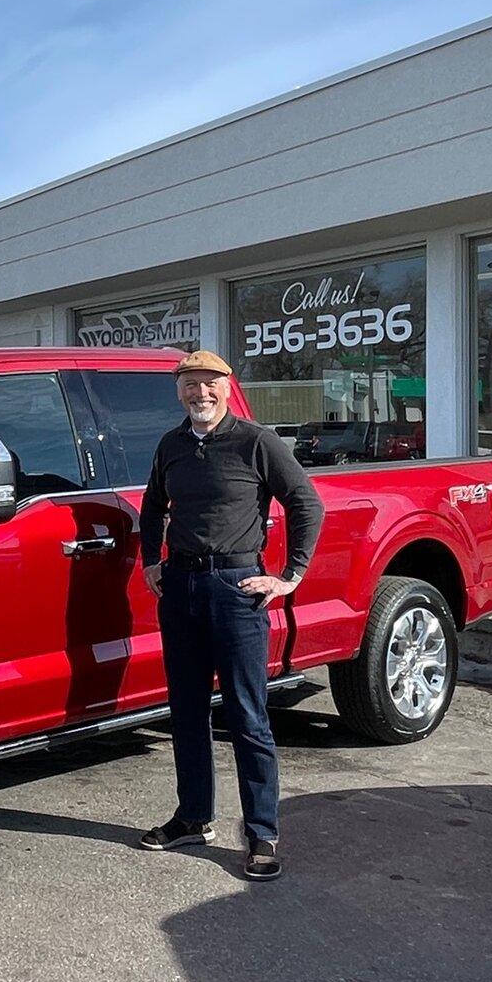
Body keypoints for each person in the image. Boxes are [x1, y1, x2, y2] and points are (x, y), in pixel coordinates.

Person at [137, 350, 324, 880]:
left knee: (247, 715)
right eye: (191, 386)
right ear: (180, 392)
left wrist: (290, 577)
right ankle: (193, 817)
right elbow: (153, 506)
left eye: (210, 385)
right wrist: (153, 561)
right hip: (182, 587)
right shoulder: (171, 445)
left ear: (227, 388)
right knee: (187, 712)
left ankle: (262, 833)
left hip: (237, 588)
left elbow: (307, 503)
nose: (201, 394)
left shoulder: (256, 442)